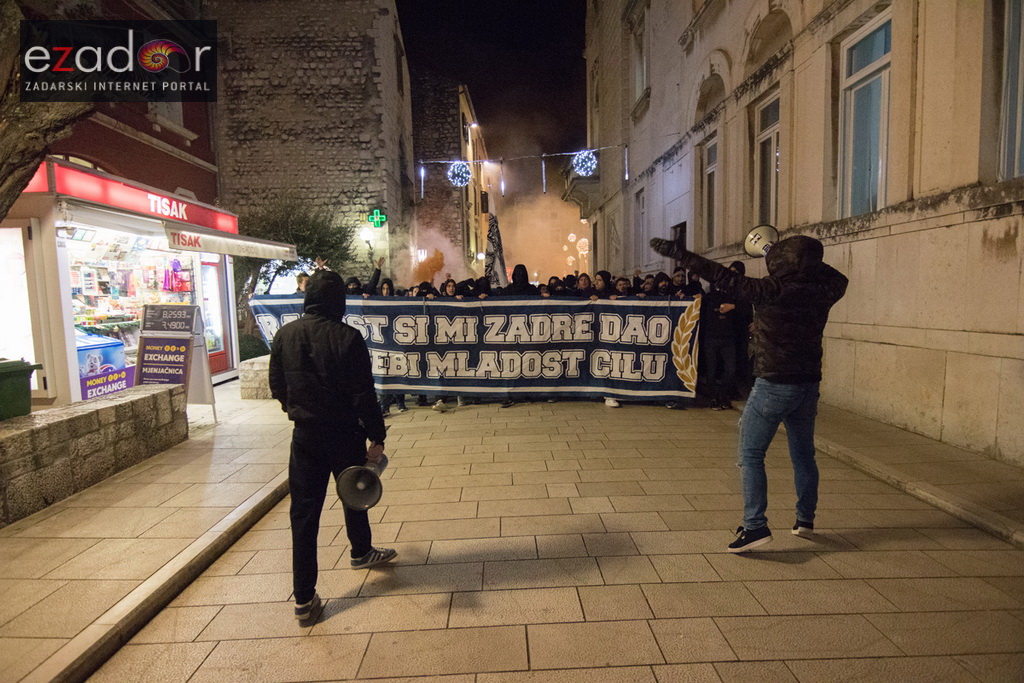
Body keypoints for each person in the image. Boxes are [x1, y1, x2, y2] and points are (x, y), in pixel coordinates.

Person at [651, 234, 848, 553]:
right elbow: (837, 275)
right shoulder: (825, 288)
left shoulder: (772, 289)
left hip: (774, 382)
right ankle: (805, 519)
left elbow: (722, 275)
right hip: (808, 382)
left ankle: (755, 526)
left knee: (751, 454)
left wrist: (682, 254)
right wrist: (808, 262)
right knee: (803, 452)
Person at [269, 270, 397, 623]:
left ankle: (304, 598)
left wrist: (298, 410)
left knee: (304, 516)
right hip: (343, 433)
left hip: (305, 436)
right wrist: (377, 435)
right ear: (338, 300)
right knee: (355, 492)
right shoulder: (347, 338)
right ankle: (361, 550)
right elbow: (362, 394)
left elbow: (277, 386)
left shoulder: (284, 336)